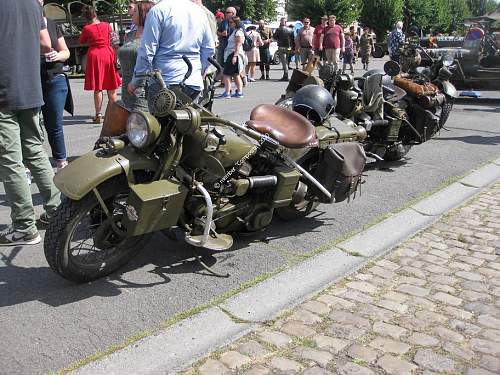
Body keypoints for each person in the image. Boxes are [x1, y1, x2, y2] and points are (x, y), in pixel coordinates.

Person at [0, 0, 61, 246]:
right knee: (35, 151)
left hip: (4, 88)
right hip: (30, 87)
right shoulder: (33, 4)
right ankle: (56, 211)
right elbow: (46, 44)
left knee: (10, 159)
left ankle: (24, 226)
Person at [128, 0, 215, 100]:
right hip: (193, 82)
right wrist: (199, 72)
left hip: (165, 81)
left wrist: (136, 81)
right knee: (193, 115)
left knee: (158, 116)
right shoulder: (199, 12)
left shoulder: (158, 11)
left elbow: (147, 51)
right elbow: (209, 49)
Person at [39, 0, 71, 172]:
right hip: (32, 79)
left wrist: (57, 55)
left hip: (54, 79)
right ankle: (32, 166)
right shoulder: (23, 24)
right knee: (31, 127)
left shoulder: (51, 24)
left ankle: (61, 163)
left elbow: (66, 52)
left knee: (54, 125)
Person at [79, 5, 122, 124]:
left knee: (98, 87)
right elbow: (115, 39)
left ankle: (98, 114)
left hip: (95, 56)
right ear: (95, 14)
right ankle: (115, 113)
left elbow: (81, 40)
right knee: (111, 86)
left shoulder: (87, 28)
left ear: (86, 17)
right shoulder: (107, 25)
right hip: (108, 54)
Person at [118, 1, 155, 111]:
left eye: (135, 11)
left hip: (142, 90)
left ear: (144, 14)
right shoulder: (130, 35)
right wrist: (116, 48)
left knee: (140, 124)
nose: (131, 13)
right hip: (126, 90)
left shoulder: (152, 35)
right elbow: (127, 56)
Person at [217, 16, 245, 98]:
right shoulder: (236, 31)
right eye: (229, 22)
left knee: (226, 74)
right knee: (235, 74)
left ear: (236, 23)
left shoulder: (238, 32)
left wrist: (235, 56)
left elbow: (238, 45)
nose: (229, 24)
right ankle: (239, 92)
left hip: (233, 54)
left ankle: (227, 92)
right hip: (232, 54)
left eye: (231, 22)